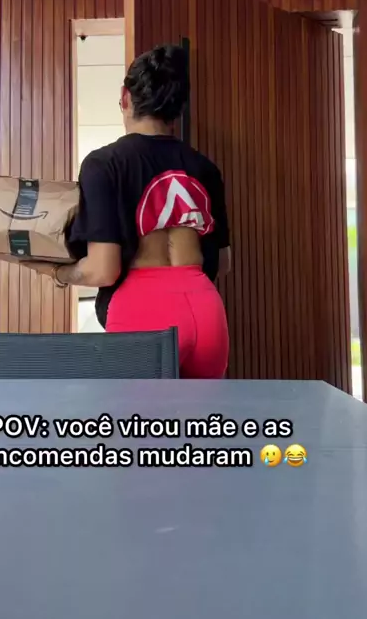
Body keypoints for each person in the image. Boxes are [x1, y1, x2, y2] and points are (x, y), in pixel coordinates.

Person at [26, 44, 231, 378]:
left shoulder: (103, 164)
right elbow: (223, 262)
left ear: (125, 97)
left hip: (142, 310)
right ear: (176, 108)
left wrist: (57, 273)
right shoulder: (205, 168)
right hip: (205, 310)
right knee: (204, 414)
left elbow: (103, 270)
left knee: (135, 414)